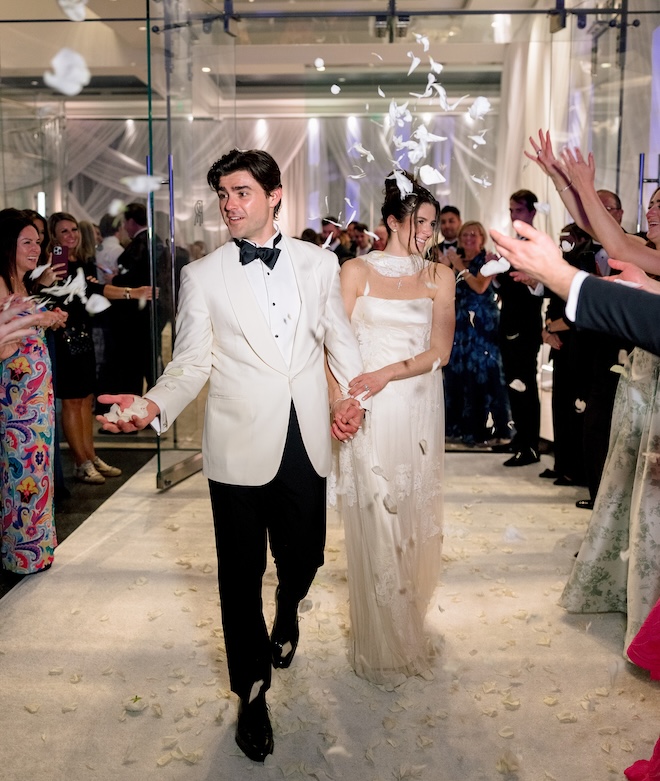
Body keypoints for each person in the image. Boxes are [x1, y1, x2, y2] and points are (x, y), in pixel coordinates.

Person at [97, 149, 367, 762]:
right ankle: (250, 692)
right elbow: (191, 361)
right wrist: (151, 406)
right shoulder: (203, 275)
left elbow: (339, 341)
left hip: (306, 437)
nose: (229, 204)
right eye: (222, 194)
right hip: (237, 442)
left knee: (305, 559)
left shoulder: (321, 264)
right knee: (238, 576)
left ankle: (289, 604)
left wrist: (353, 400)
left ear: (274, 195)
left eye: (241, 192)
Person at [493, 136, 660, 650]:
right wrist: (572, 184)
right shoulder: (643, 248)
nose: (653, 211)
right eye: (653, 202)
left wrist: (566, 278)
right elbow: (614, 242)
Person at [330, 172, 455, 686]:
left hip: (416, 406)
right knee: (376, 520)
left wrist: (387, 373)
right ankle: (382, 639)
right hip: (368, 410)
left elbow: (440, 352)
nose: (429, 232)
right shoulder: (355, 271)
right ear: (392, 221)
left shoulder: (439, 277)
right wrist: (343, 398)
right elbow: (333, 344)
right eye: (419, 223)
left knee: (409, 521)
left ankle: (407, 621)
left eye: (432, 223)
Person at [47, 212, 151, 485]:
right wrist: (133, 292)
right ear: (54, 238)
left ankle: (90, 456)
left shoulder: (82, 264)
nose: (71, 235)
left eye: (73, 230)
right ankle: (81, 462)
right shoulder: (55, 266)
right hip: (64, 338)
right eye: (64, 232)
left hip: (83, 336)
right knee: (72, 401)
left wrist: (133, 292)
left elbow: (100, 291)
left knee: (85, 399)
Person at [0, 209, 67, 575]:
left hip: (35, 403)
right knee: (20, 476)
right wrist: (40, 319)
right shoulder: (1, 283)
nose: (36, 249)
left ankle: (37, 549)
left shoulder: (22, 284)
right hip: (15, 405)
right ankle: (20, 554)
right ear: (7, 244)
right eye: (27, 242)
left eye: (38, 242)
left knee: (38, 474)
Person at [443, 221, 510, 446]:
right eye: (465, 235)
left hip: (482, 324)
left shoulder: (486, 260)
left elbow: (480, 287)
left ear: (481, 238)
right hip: (460, 324)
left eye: (474, 235)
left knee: (485, 374)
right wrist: (449, 267)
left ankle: (492, 429)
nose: (469, 238)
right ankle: (458, 427)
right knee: (458, 374)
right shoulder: (456, 260)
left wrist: (459, 266)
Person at [493, 190, 543, 467]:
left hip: (526, 325)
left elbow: (540, 288)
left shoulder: (538, 245)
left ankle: (530, 446)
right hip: (510, 321)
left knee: (525, 385)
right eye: (511, 210)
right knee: (515, 383)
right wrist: (496, 273)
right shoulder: (514, 245)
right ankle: (521, 438)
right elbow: (510, 286)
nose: (514, 216)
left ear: (532, 212)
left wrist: (528, 280)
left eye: (519, 210)